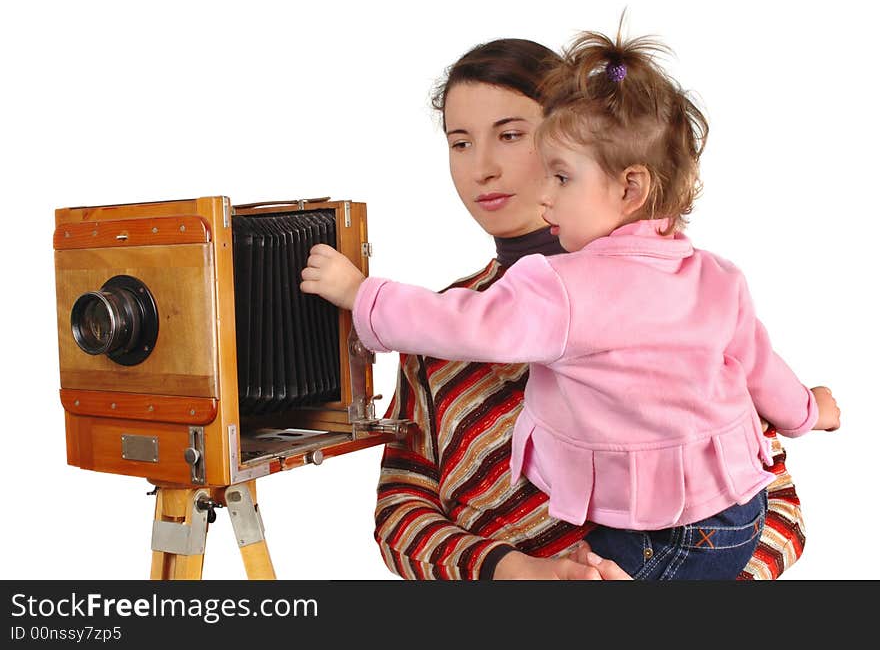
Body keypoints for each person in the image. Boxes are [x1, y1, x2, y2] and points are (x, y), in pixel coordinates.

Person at [305, 35, 836, 579]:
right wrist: (517, 573)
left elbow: (773, 508)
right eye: (459, 143)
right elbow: (401, 513)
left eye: (512, 135)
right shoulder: (434, 324)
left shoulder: (671, 297)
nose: (482, 167)